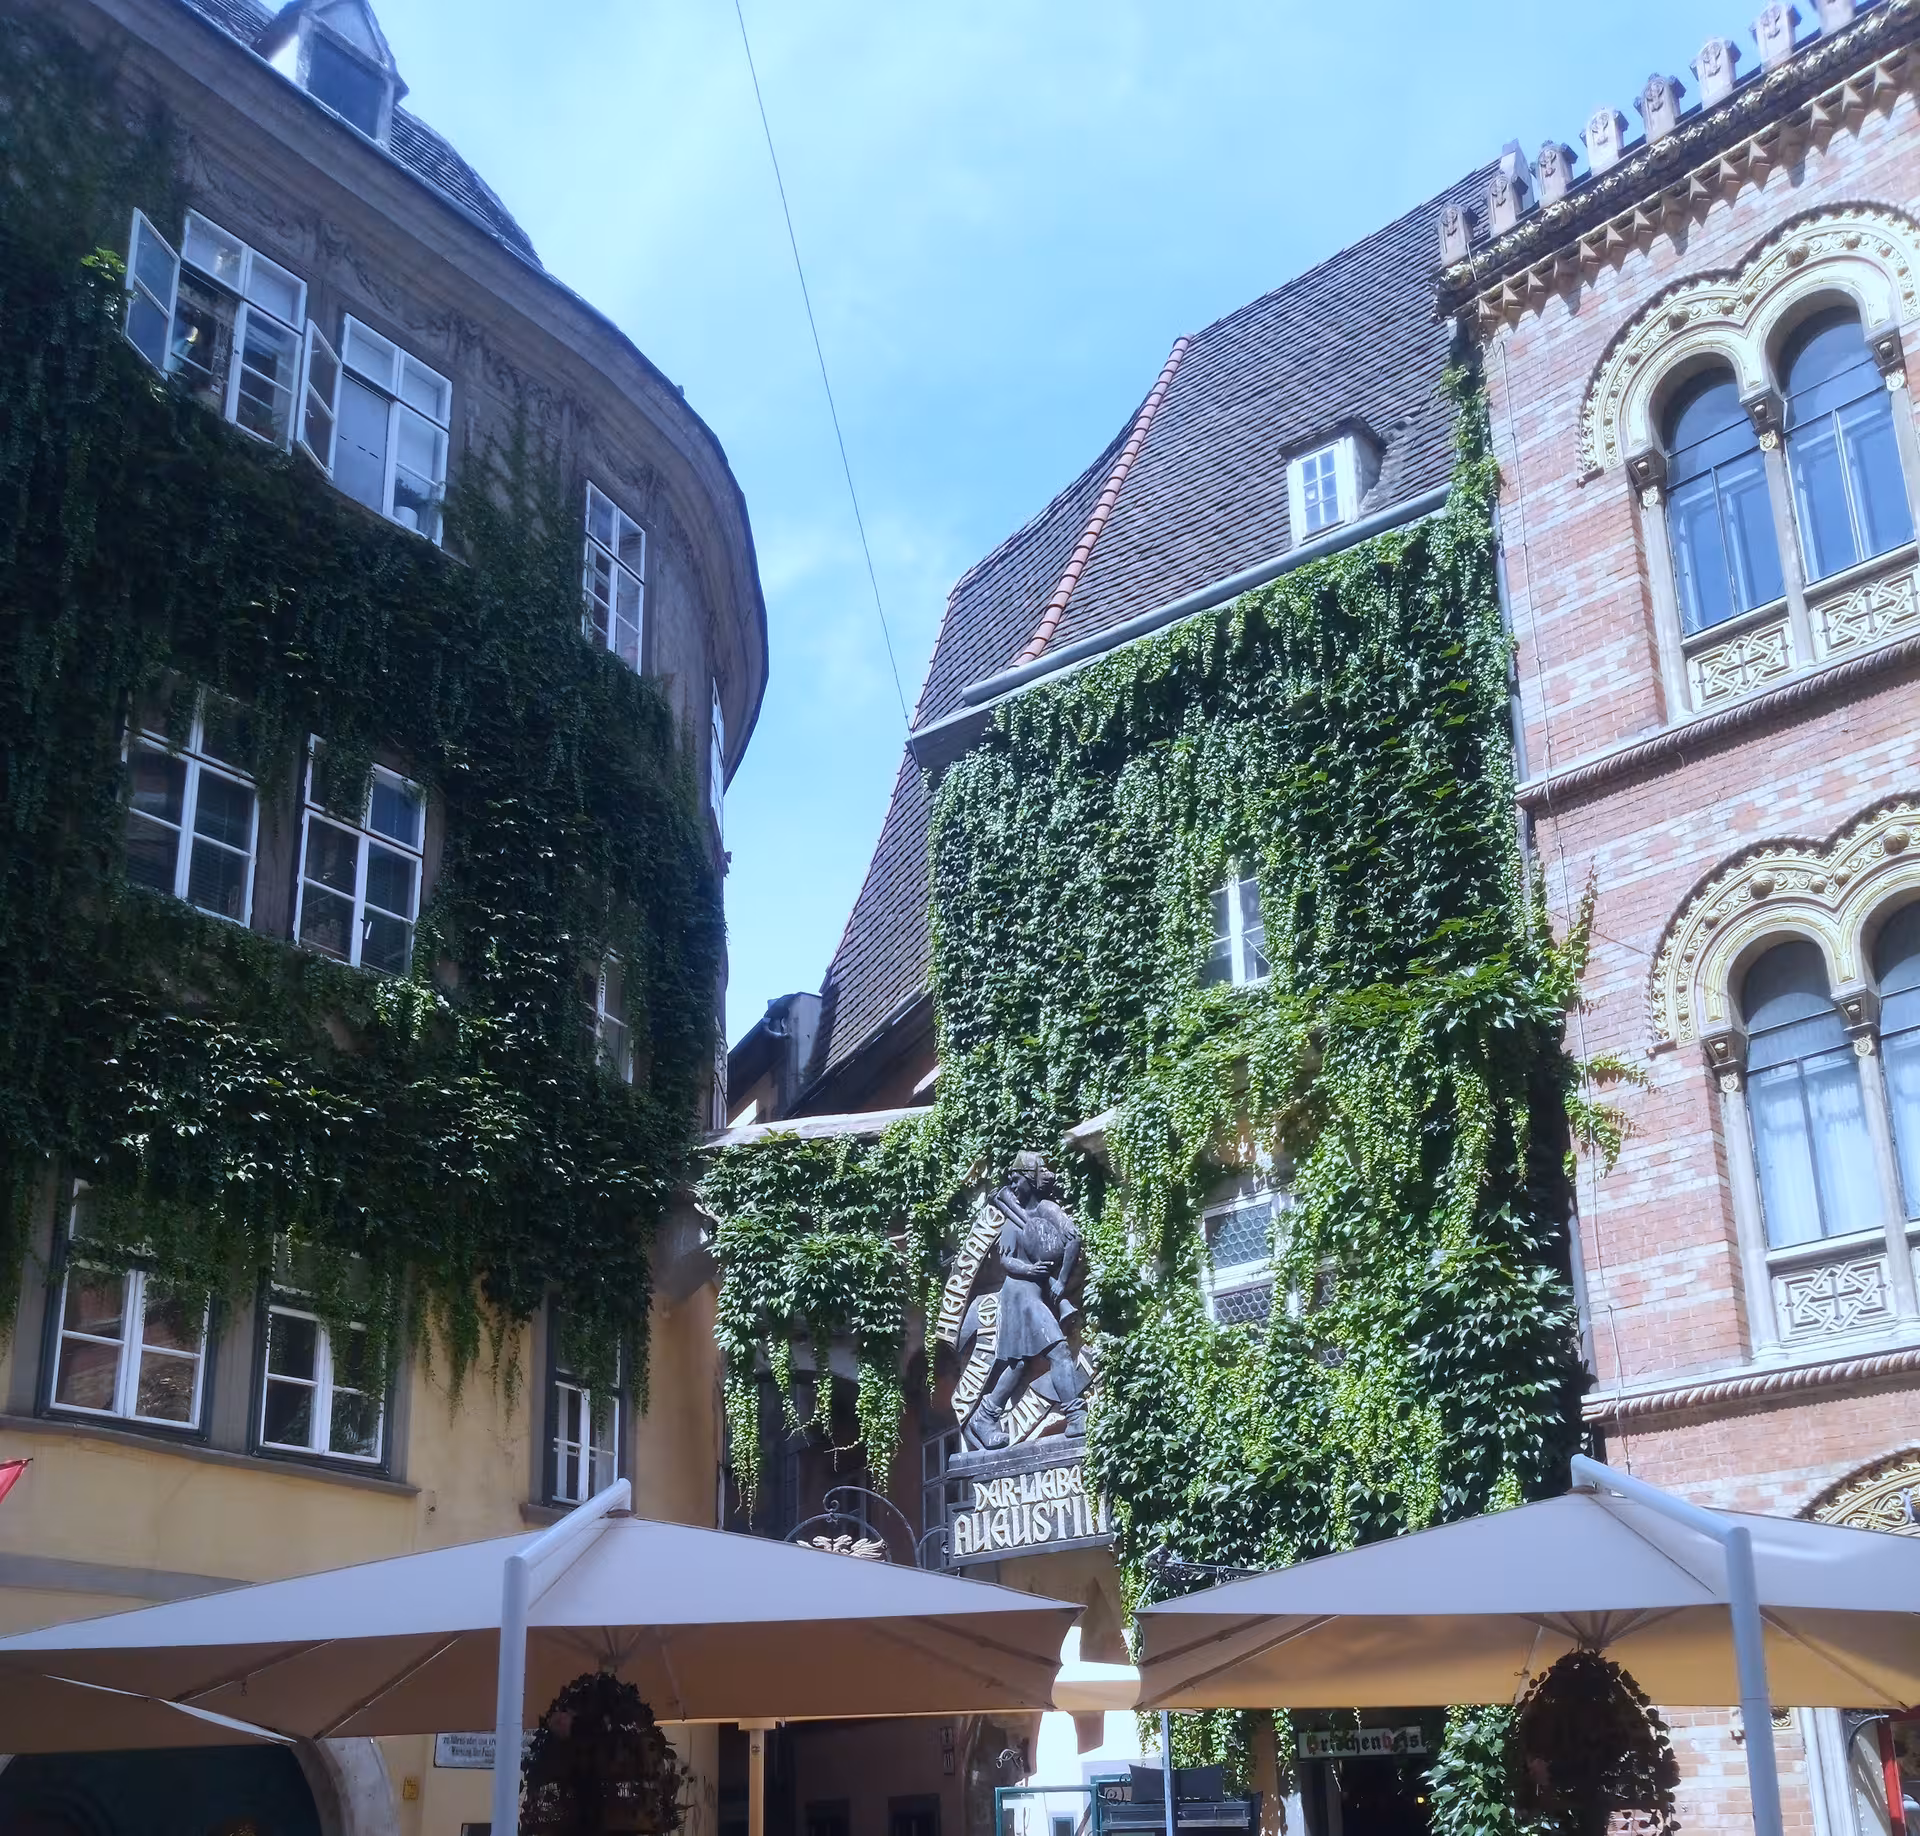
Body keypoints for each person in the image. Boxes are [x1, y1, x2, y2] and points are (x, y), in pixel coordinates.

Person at [967, 1158, 1087, 1450]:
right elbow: (1007, 1260)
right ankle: (1076, 1416)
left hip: (1036, 1292)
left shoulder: (1046, 1210)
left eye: (1017, 1179)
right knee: (1058, 1350)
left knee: (1018, 1364)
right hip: (1019, 1293)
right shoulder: (1011, 1222)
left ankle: (984, 1417)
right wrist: (1030, 1270)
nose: (1012, 1186)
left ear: (1030, 1180)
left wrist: (1059, 1280)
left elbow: (1073, 1238)